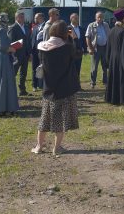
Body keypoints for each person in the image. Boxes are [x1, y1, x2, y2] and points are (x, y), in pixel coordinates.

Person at [31, 20, 80, 156]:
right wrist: (73, 38)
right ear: (65, 32)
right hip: (64, 88)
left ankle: (39, 146)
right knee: (60, 120)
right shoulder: (67, 47)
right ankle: (56, 147)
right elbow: (78, 54)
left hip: (48, 88)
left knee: (44, 119)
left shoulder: (42, 47)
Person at [105, 9, 124, 105]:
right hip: (122, 59)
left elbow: (108, 48)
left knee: (114, 79)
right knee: (122, 79)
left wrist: (108, 60)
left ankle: (112, 98)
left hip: (113, 59)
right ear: (123, 19)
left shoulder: (111, 31)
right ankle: (123, 99)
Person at [8, 11, 32, 96]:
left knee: (24, 73)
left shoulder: (26, 27)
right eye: (21, 17)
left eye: (23, 17)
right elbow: (10, 41)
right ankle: (10, 91)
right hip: (16, 54)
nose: (23, 19)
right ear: (16, 18)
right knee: (13, 73)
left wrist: (29, 53)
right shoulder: (13, 27)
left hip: (25, 54)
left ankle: (22, 90)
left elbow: (28, 41)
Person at [85, 11, 110, 88]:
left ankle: (105, 81)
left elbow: (109, 35)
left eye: (101, 17)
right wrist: (90, 48)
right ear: (95, 18)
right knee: (94, 66)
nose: (100, 18)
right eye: (98, 17)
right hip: (95, 48)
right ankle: (93, 82)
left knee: (105, 66)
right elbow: (87, 37)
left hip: (105, 48)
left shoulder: (106, 25)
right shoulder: (91, 25)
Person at [30, 12, 45, 91]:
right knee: (34, 68)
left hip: (43, 51)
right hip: (35, 51)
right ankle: (34, 85)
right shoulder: (35, 27)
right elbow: (32, 39)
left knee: (43, 67)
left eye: (36, 18)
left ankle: (42, 84)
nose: (35, 19)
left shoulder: (46, 26)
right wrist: (31, 51)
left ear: (41, 18)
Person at [69, 13, 85, 83]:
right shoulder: (68, 28)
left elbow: (83, 39)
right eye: (75, 18)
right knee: (71, 69)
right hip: (71, 52)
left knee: (78, 68)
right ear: (71, 19)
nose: (77, 19)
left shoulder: (81, 28)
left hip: (79, 52)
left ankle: (77, 85)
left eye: (77, 18)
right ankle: (71, 85)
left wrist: (84, 48)